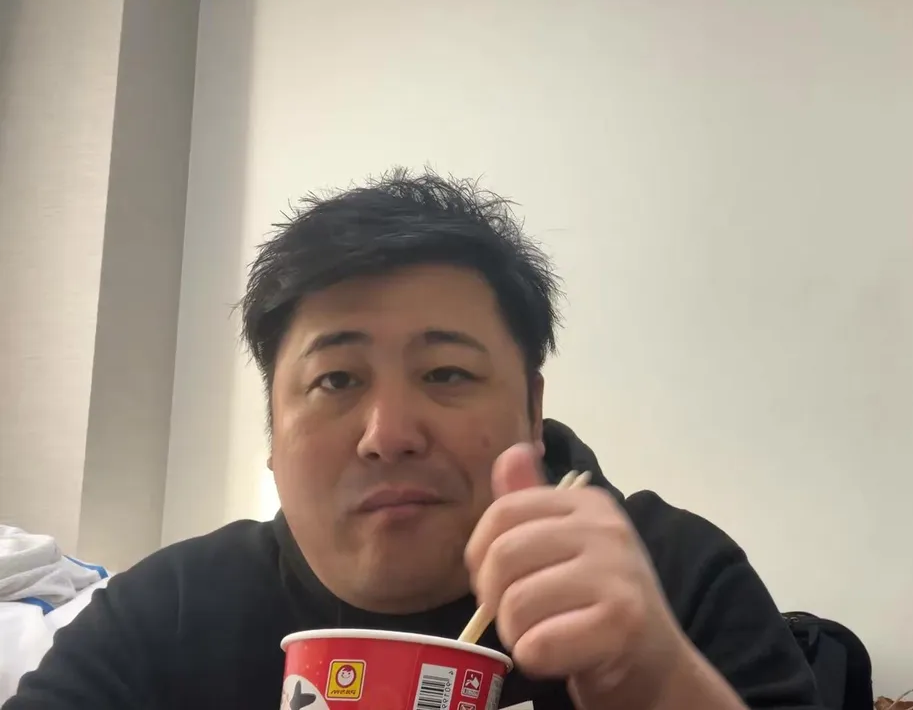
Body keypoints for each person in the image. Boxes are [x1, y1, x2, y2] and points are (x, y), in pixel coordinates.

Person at [4, 168, 823, 710]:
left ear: (532, 407)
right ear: (272, 434)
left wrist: (657, 683)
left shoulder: (675, 579)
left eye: (447, 373)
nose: (388, 435)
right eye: (336, 380)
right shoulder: (168, 612)